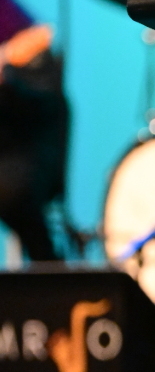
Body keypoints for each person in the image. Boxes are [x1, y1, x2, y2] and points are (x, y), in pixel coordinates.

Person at [0, 1, 68, 261]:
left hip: (23, 148)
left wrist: (6, 62)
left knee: (13, 195)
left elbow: (39, 39)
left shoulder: (9, 16)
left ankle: (51, 276)